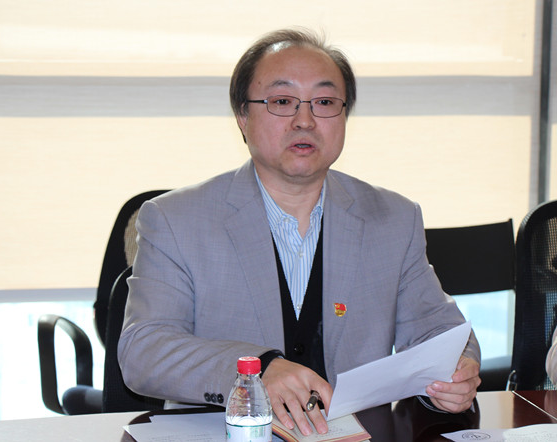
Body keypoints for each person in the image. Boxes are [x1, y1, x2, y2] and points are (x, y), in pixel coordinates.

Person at [118, 28, 481, 436]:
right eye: (282, 101)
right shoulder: (176, 219)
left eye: (324, 102)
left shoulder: (393, 219)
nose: (305, 120)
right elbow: (144, 351)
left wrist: (456, 370)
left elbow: (442, 331)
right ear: (242, 116)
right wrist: (258, 370)